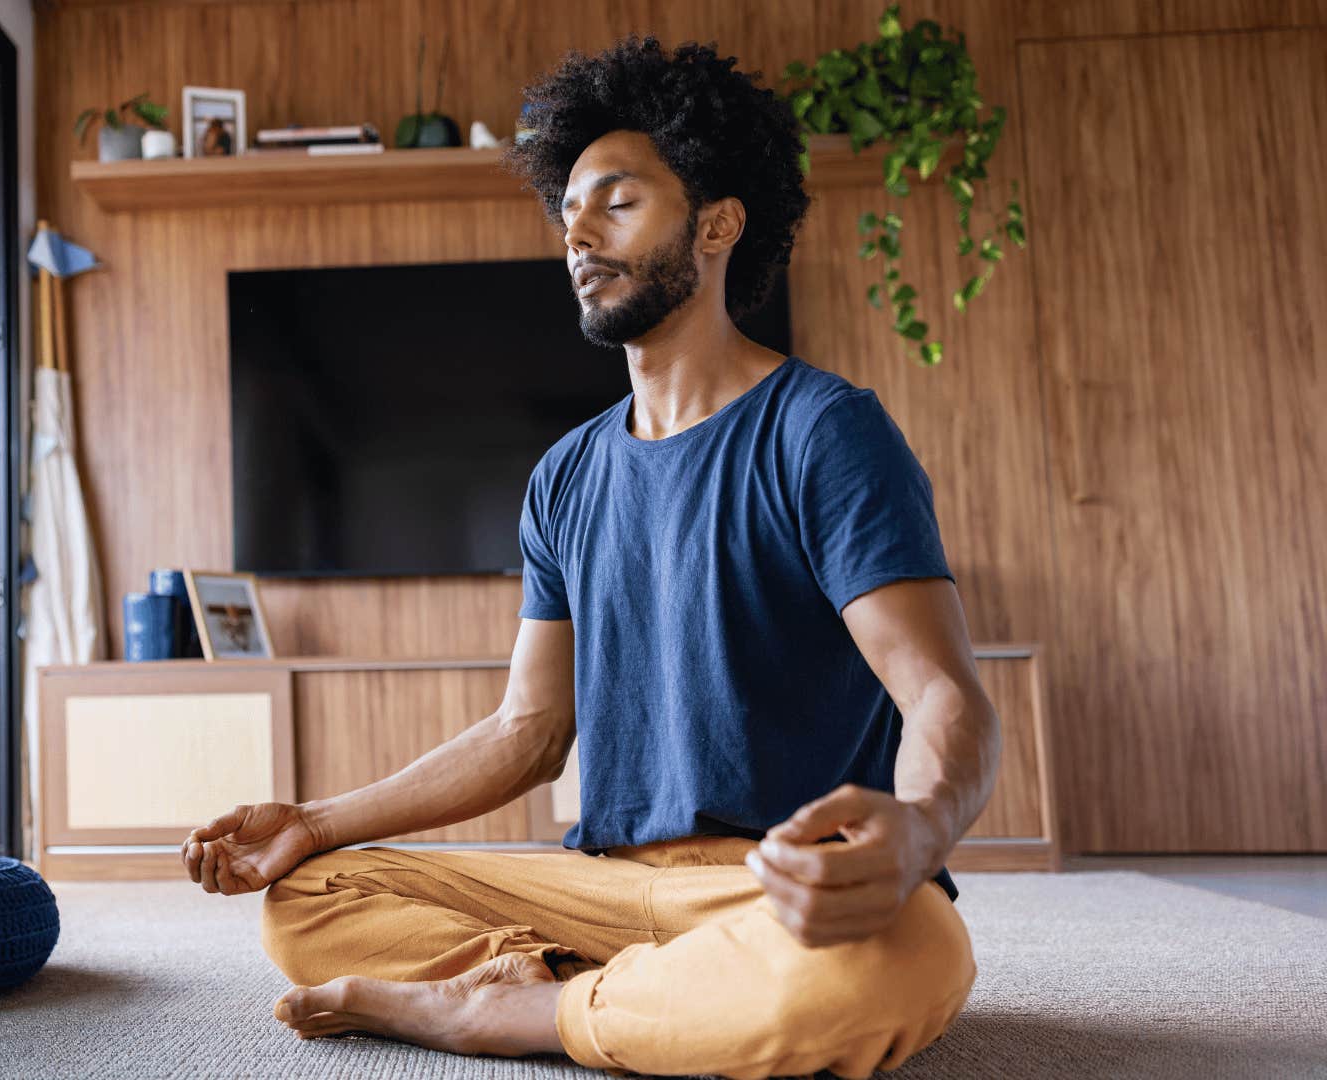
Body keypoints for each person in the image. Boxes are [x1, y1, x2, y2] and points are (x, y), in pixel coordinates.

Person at [181, 36, 998, 1080]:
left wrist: (922, 832)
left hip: (771, 885)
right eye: (568, 211)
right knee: (309, 900)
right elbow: (530, 730)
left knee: (908, 957)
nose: (577, 233)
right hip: (600, 886)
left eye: (616, 202)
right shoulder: (565, 476)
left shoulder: (824, 431)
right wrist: (309, 820)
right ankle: (614, 998)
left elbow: (942, 693)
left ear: (717, 224)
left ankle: (513, 1011)